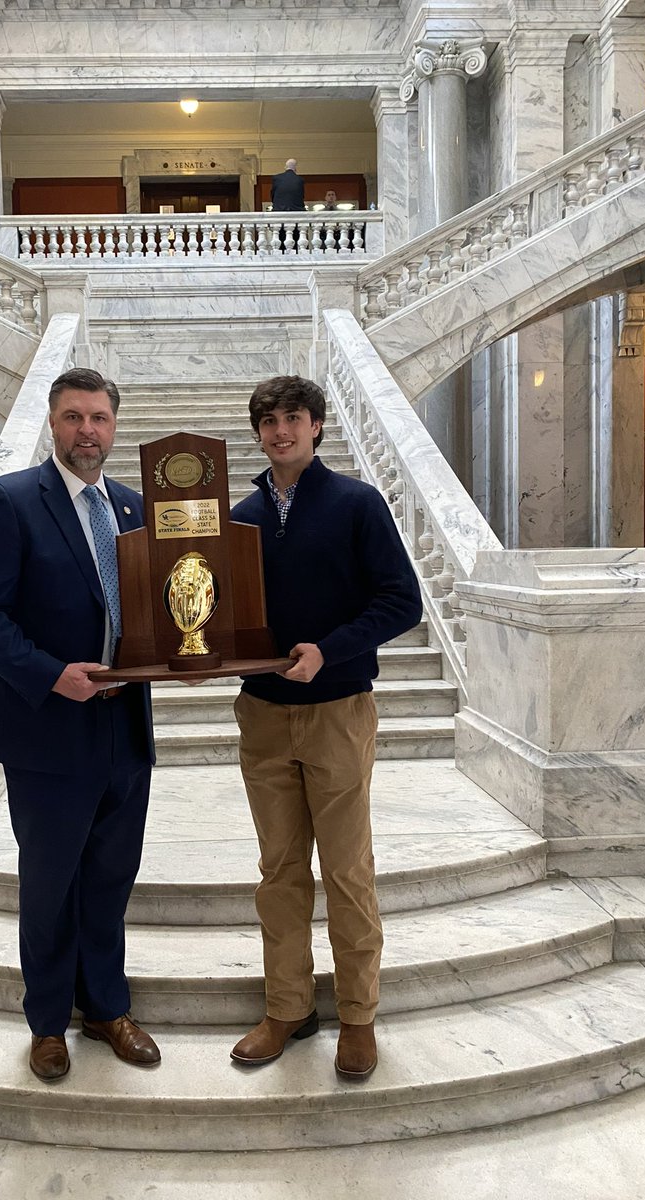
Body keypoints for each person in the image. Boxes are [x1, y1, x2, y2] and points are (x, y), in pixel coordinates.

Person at [0, 366, 159, 1083]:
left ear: (113, 426)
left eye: (99, 418)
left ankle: (106, 1007)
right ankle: (47, 1022)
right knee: (48, 884)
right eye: (73, 417)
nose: (87, 431)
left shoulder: (134, 508)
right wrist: (51, 674)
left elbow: (156, 610)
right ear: (52, 423)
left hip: (125, 727)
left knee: (110, 877)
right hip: (46, 732)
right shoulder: (11, 502)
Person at [228, 375, 422, 1080]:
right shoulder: (239, 517)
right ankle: (287, 1007)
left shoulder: (356, 505)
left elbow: (403, 601)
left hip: (338, 711)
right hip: (262, 714)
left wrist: (330, 649)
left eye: (293, 419)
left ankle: (359, 1016)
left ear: (316, 427)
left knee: (345, 871)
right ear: (258, 433)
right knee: (279, 871)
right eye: (268, 421)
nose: (280, 431)